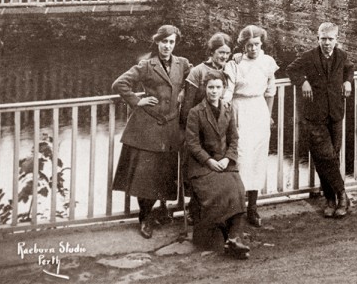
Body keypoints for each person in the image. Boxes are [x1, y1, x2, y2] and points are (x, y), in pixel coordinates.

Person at [112, 24, 190, 238]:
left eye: (171, 42)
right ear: (157, 42)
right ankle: (145, 218)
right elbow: (120, 84)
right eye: (164, 41)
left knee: (165, 172)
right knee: (145, 176)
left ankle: (162, 210)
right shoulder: (147, 65)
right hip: (148, 127)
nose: (167, 46)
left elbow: (196, 79)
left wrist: (183, 91)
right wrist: (138, 101)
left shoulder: (182, 64)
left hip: (171, 126)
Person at [283, 23, 354, 218]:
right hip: (315, 115)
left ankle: (330, 199)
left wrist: (348, 81)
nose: (327, 43)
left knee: (331, 157)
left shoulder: (342, 56)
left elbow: (349, 69)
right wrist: (303, 81)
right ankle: (342, 195)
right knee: (326, 156)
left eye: (330, 39)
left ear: (336, 40)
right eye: (323, 39)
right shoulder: (309, 57)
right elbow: (291, 70)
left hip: (336, 113)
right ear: (318, 39)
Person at [184, 75, 252, 258]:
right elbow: (192, 144)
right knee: (223, 190)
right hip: (202, 167)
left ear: (223, 89)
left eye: (217, 87)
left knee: (238, 188)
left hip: (224, 164)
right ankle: (231, 238)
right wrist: (209, 161)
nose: (214, 91)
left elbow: (234, 139)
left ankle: (234, 238)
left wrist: (227, 158)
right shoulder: (196, 112)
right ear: (205, 89)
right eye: (210, 87)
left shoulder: (228, 109)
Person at [230, 25, 277, 227]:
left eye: (257, 44)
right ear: (243, 46)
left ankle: (253, 207)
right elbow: (229, 91)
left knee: (257, 158)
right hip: (239, 109)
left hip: (258, 111)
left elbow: (270, 91)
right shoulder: (235, 63)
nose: (253, 49)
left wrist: (268, 115)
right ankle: (237, 208)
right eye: (249, 45)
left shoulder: (267, 62)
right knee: (241, 159)